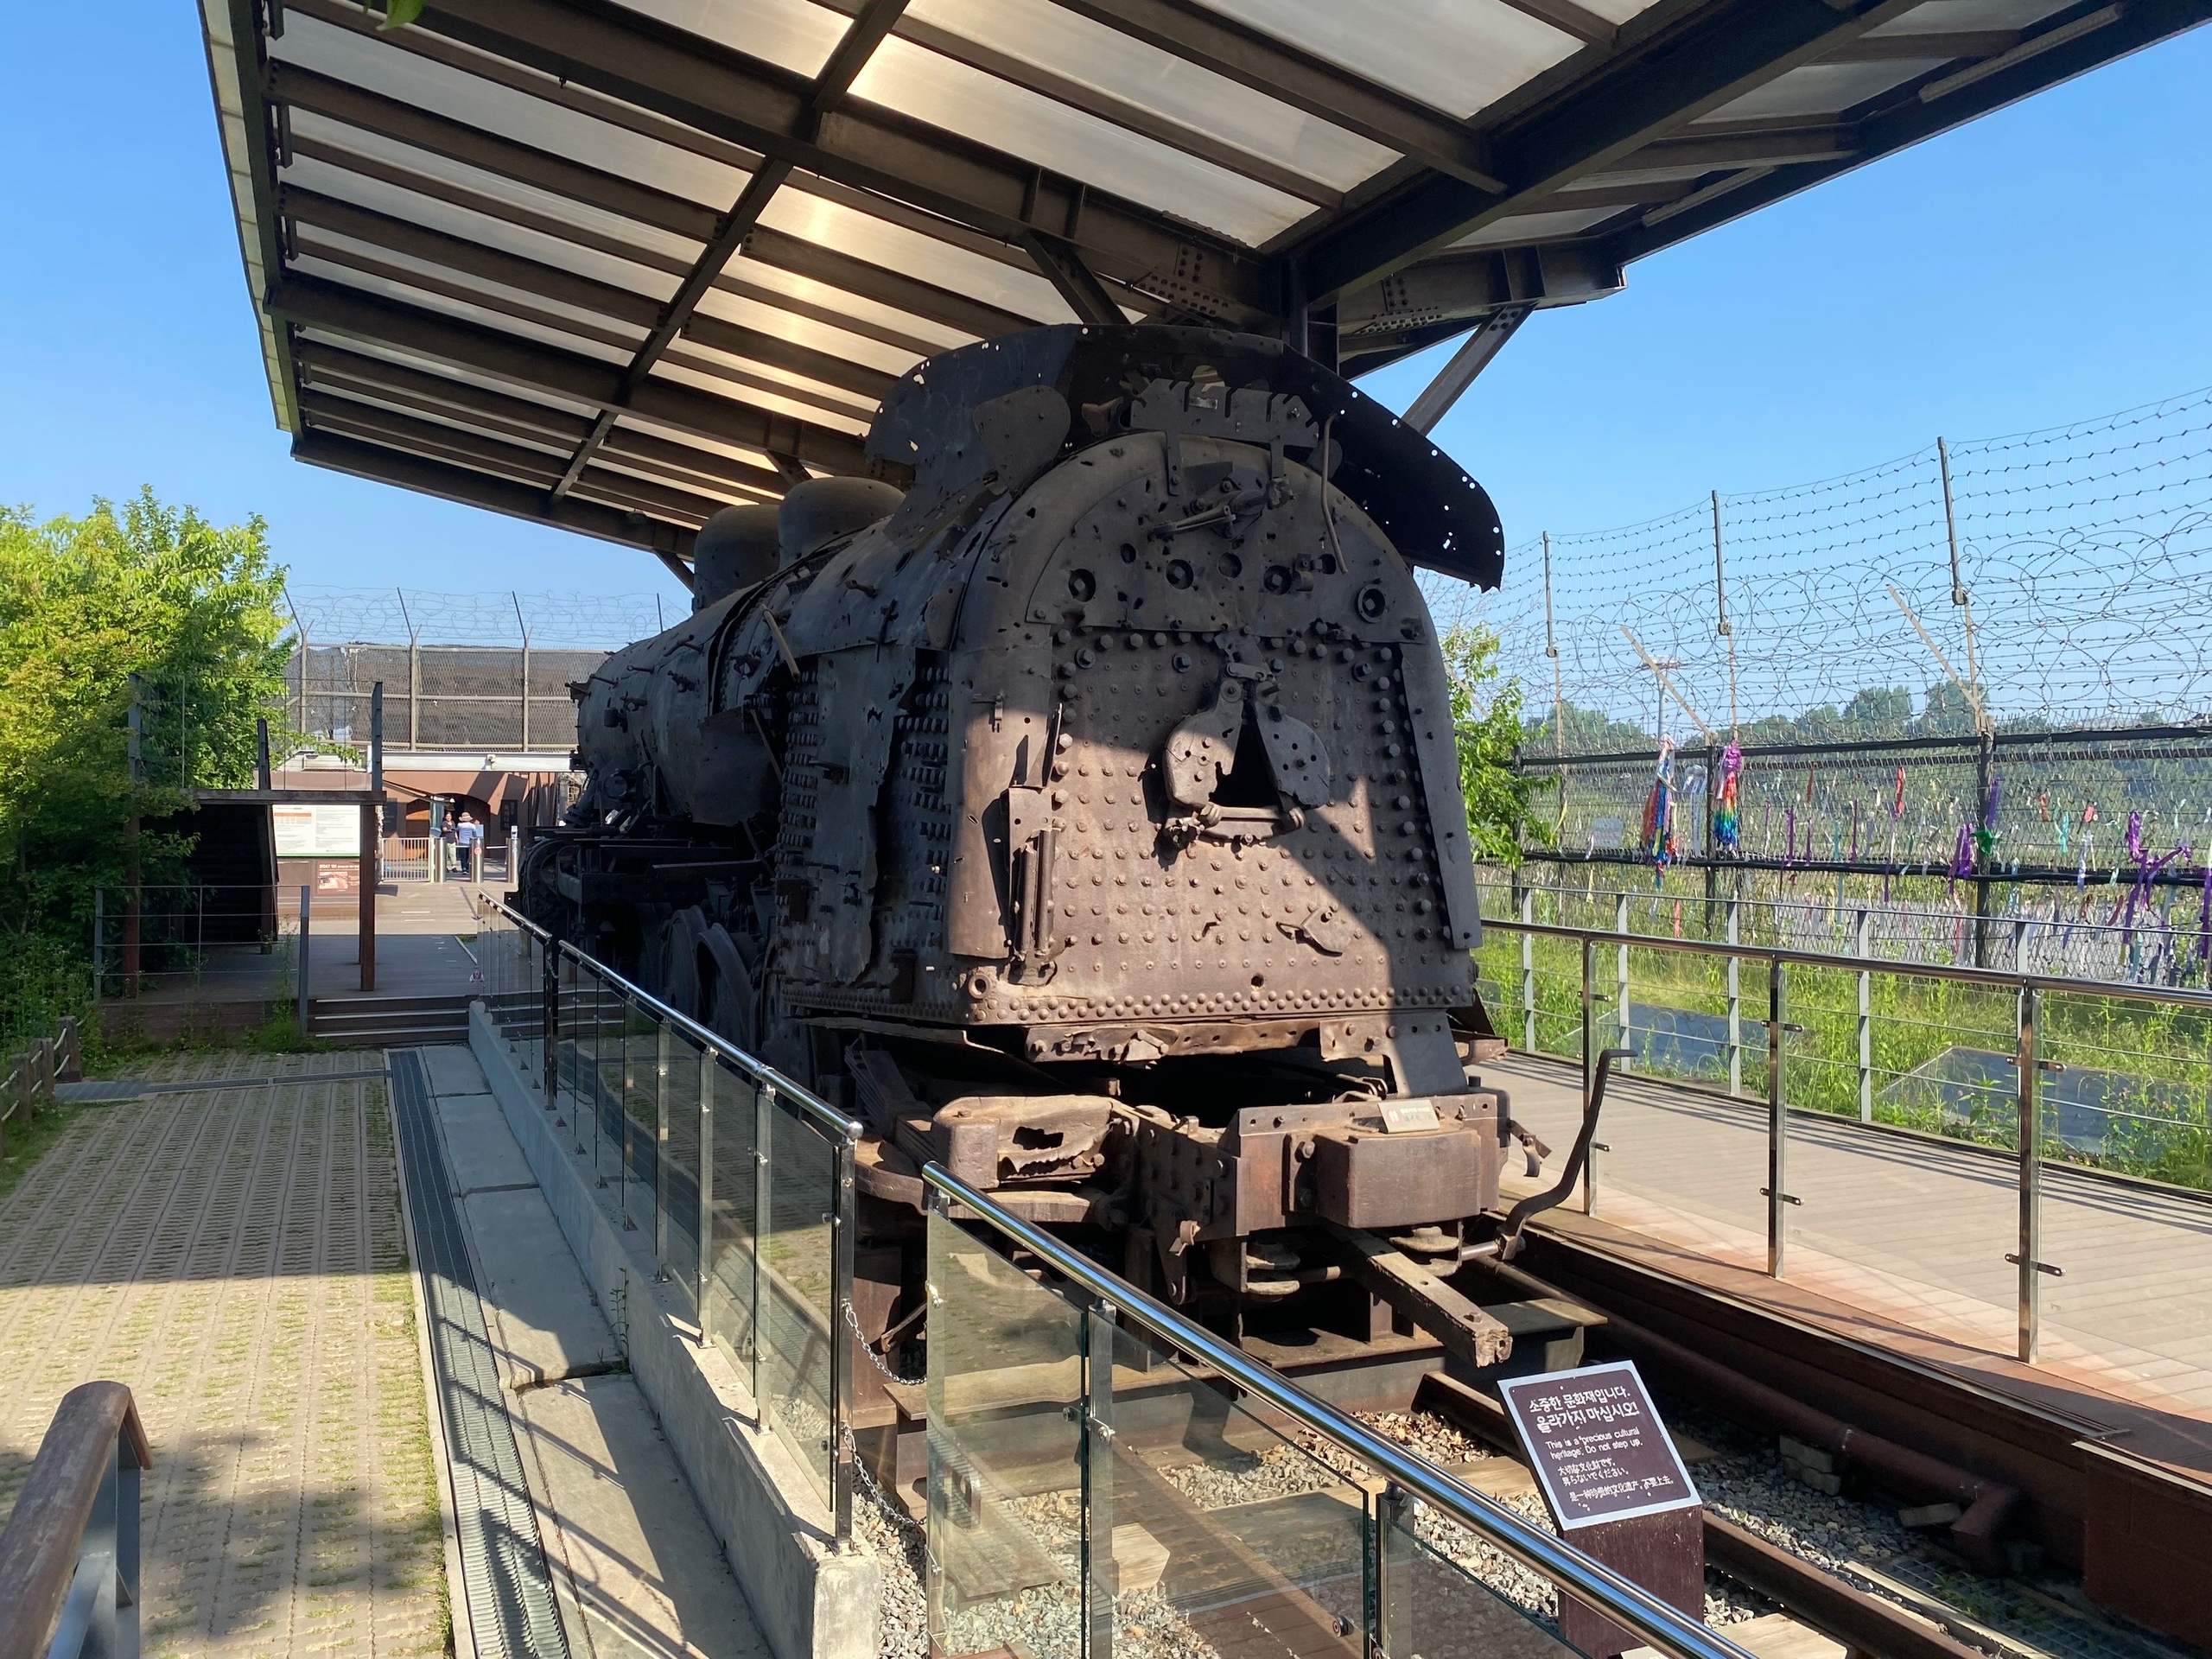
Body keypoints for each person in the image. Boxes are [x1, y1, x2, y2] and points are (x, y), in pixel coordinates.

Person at [457, 812, 482, 882]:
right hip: (470, 843)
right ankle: (468, 868)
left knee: (463, 857)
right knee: (469, 856)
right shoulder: (472, 826)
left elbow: (457, 830)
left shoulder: (460, 825)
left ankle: (464, 868)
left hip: (462, 842)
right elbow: (475, 834)